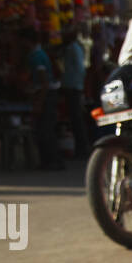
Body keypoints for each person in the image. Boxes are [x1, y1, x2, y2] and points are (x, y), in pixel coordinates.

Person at [19, 27, 61, 171]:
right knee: (46, 130)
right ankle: (51, 161)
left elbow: (44, 83)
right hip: (46, 95)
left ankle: (51, 162)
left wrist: (39, 103)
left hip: (46, 95)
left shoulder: (36, 56)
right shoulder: (38, 54)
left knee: (45, 131)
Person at [60, 25, 88, 157]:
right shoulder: (70, 48)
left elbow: (79, 69)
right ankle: (80, 148)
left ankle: (81, 149)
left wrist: (78, 85)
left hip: (74, 87)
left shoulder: (74, 48)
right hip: (72, 86)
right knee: (74, 118)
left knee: (77, 119)